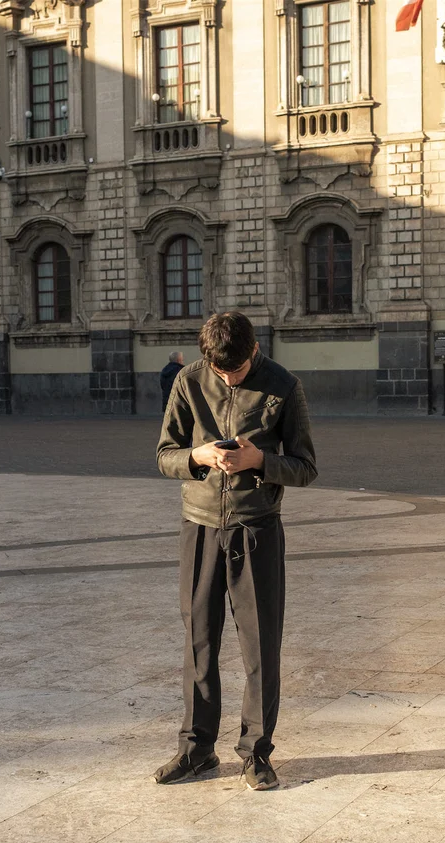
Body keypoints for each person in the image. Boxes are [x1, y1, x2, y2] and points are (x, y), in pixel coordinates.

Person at [154, 312, 317, 791]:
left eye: (237, 372)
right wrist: (197, 457)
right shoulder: (188, 381)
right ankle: (197, 749)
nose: (227, 379)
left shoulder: (284, 386)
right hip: (200, 526)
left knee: (260, 646)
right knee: (199, 641)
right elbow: (164, 454)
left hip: (257, 529)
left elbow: (306, 466)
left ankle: (256, 753)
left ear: (254, 350)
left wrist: (259, 461)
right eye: (219, 372)